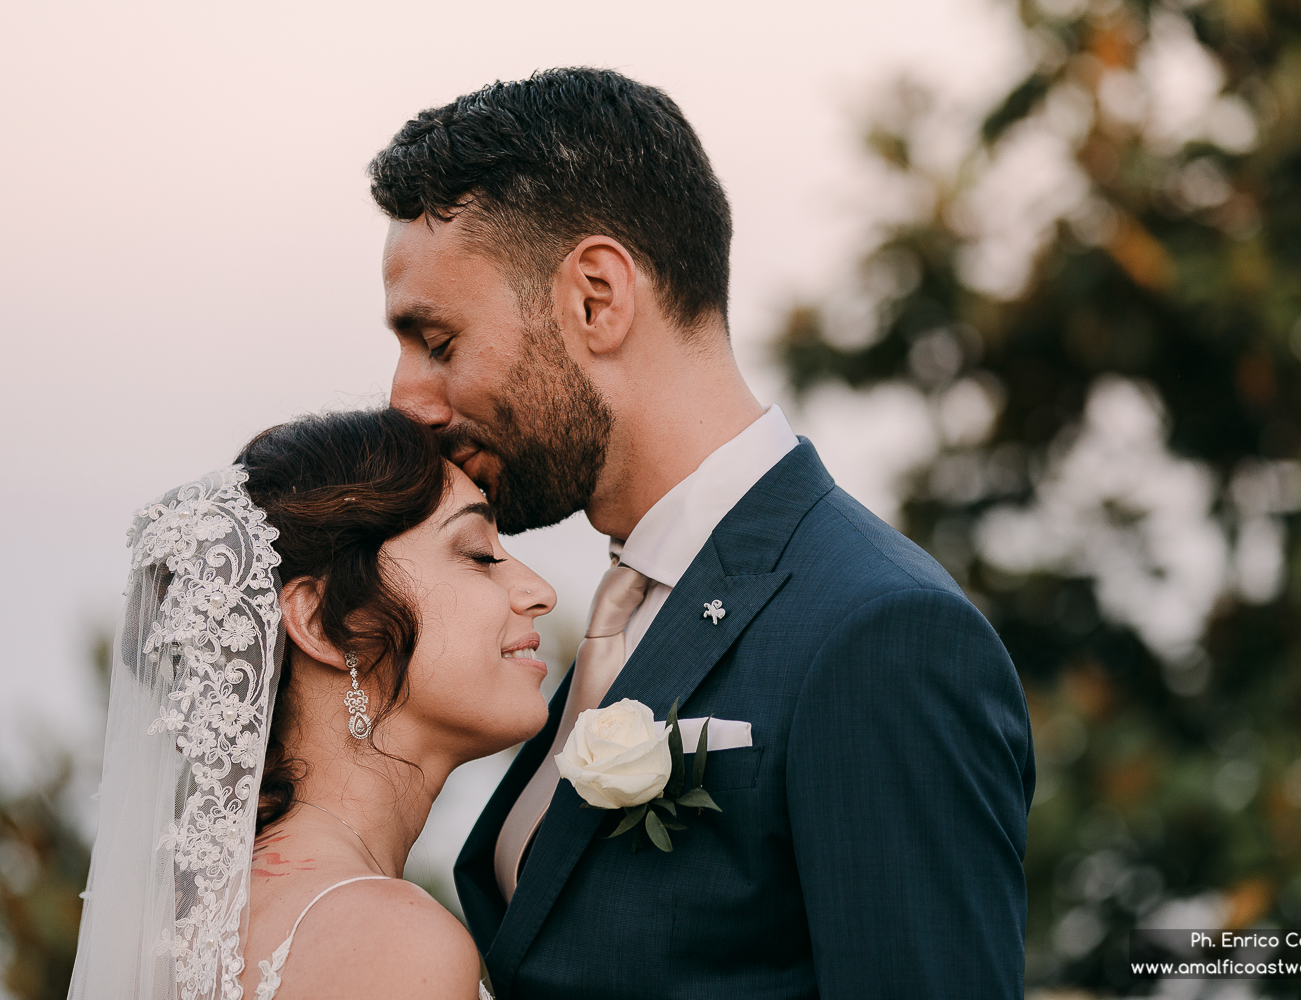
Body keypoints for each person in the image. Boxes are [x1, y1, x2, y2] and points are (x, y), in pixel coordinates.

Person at [372, 68, 1037, 999]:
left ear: (596, 298)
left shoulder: (878, 636)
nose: (405, 400)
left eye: (437, 341)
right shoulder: (621, 614)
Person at [68, 408, 555, 999]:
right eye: (479, 554)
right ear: (328, 623)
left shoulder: (182, 934)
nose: (538, 592)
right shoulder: (391, 945)